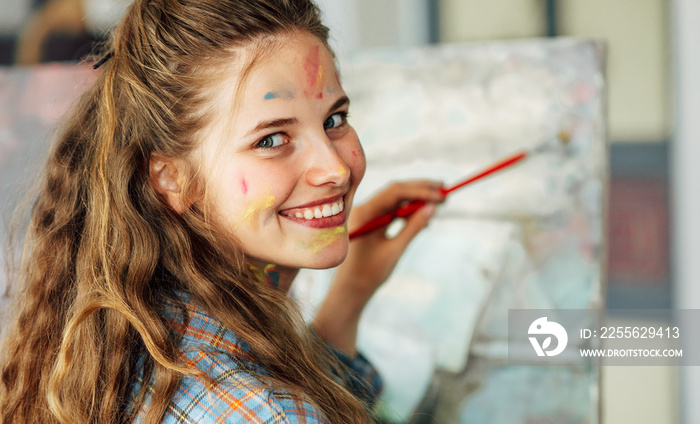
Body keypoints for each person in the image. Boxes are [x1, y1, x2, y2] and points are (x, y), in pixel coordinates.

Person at [0, 0, 445, 422]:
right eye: (271, 140)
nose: (334, 169)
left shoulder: (134, 333)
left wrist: (349, 298)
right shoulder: (266, 410)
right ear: (173, 178)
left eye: (333, 120)